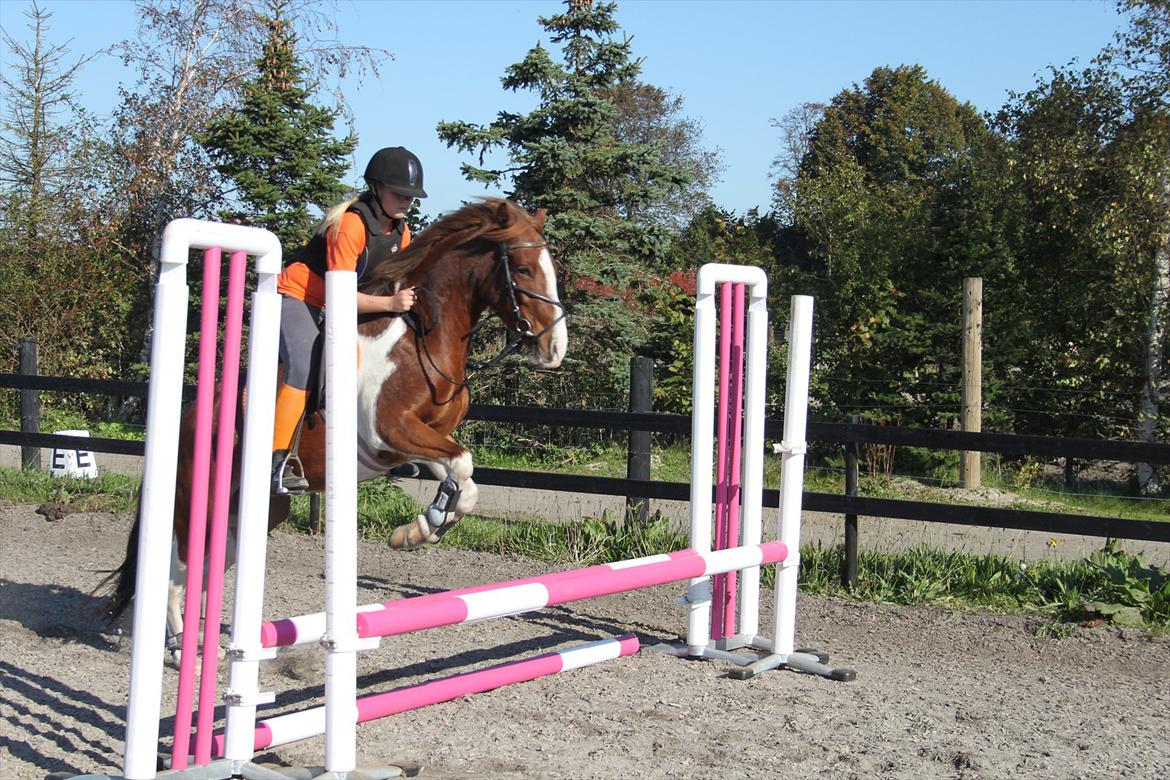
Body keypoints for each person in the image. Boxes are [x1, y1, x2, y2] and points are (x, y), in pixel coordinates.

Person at [271, 146, 427, 494]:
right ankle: (277, 461)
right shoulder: (351, 225)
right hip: (301, 296)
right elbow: (340, 294)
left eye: (411, 197)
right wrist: (390, 302)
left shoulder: (401, 233)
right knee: (305, 366)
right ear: (377, 188)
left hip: (345, 305)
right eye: (399, 193)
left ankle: (389, 443)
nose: (406, 202)